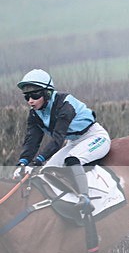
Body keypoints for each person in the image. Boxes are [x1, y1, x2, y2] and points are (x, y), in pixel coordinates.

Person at [13, 69, 111, 214]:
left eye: (35, 95)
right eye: (26, 97)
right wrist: (23, 162)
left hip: (94, 136)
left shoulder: (65, 105)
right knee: (47, 170)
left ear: (47, 93)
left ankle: (85, 198)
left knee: (72, 160)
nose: (30, 101)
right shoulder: (34, 114)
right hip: (73, 142)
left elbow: (57, 140)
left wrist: (38, 161)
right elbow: (32, 141)